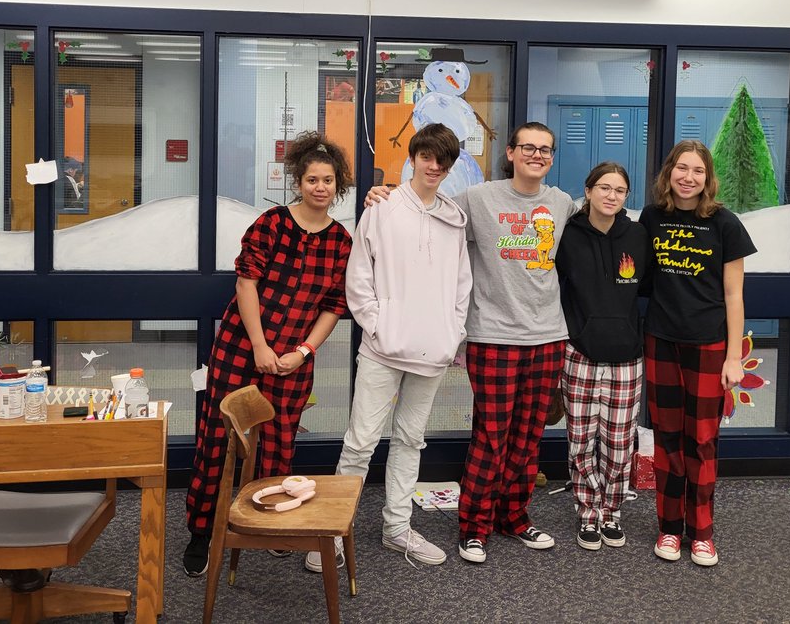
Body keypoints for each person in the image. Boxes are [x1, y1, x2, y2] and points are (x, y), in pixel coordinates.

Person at [366, 121, 575, 564]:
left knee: (529, 436)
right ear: (512, 154)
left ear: (551, 158)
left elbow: (602, 222)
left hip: (548, 336)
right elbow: (425, 207)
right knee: (491, 437)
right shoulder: (478, 199)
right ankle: (474, 526)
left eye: (546, 149)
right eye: (528, 148)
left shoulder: (561, 204)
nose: (537, 155)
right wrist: (380, 194)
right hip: (493, 335)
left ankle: (514, 518)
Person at [183, 131, 353, 577]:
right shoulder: (271, 224)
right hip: (242, 348)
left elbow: (335, 305)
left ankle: (270, 524)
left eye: (329, 181)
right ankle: (203, 530)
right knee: (219, 441)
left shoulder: (341, 241)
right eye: (313, 179)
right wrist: (260, 346)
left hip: (295, 359)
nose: (320, 187)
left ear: (339, 186)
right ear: (298, 182)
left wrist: (303, 351)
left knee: (279, 444)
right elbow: (246, 284)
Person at [306, 123, 472, 573]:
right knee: (359, 442)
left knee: (410, 440)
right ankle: (336, 532)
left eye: (443, 160)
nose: (434, 166)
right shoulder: (381, 208)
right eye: (427, 157)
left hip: (432, 353)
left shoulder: (454, 218)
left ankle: (397, 526)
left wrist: (450, 332)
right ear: (414, 158)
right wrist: (380, 328)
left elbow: (462, 285)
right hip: (383, 348)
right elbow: (358, 278)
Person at [640, 139, 755, 568]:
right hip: (662, 341)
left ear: (708, 178)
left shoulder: (725, 223)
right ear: (669, 173)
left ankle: (701, 533)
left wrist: (733, 357)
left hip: (709, 345)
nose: (689, 177)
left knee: (702, 440)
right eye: (681, 168)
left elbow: (734, 296)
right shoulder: (652, 218)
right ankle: (669, 529)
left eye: (698, 170)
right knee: (667, 439)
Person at [555, 162, 651, 551]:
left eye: (620, 190)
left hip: (627, 357)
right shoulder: (568, 234)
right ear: (589, 190)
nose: (612, 196)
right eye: (604, 188)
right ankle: (588, 514)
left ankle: (611, 511)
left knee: (617, 442)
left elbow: (649, 287)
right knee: (580, 440)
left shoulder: (638, 236)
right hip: (580, 354)